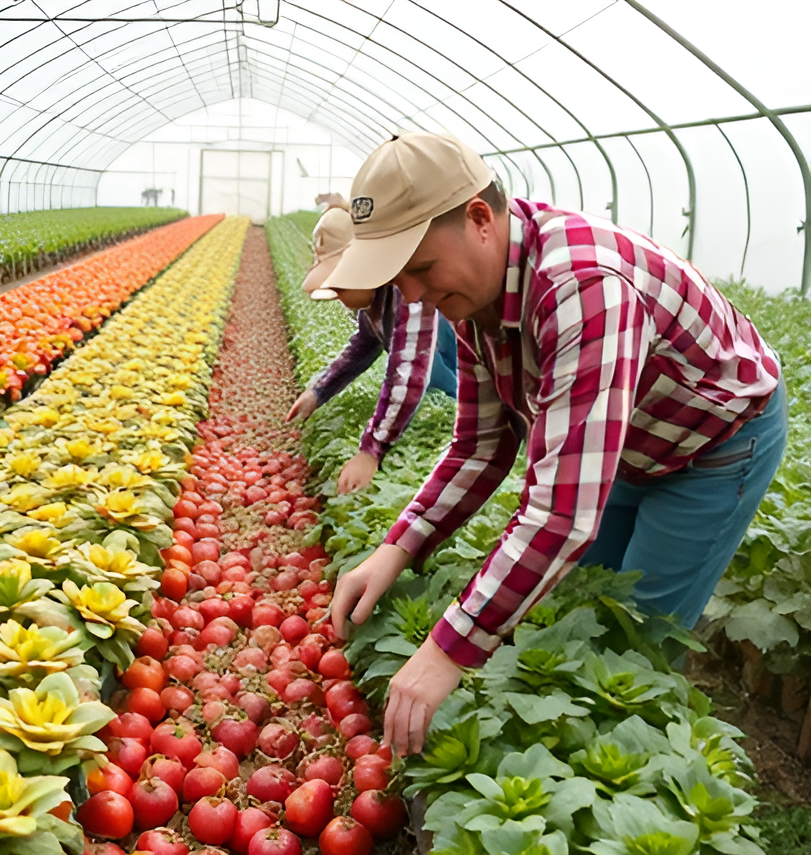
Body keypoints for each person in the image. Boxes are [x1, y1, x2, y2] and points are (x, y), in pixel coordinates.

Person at [322, 132, 786, 757]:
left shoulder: (583, 286)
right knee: (576, 613)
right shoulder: (472, 301)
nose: (411, 295)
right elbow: (480, 447)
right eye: (398, 278)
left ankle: (616, 791)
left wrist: (448, 649)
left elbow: (563, 514)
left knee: (635, 639)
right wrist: (395, 549)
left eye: (421, 269)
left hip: (713, 444)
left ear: (480, 220)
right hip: (622, 442)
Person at [287, 205, 459, 494]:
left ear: (362, 266)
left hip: (474, 384)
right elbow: (363, 347)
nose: (338, 297)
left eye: (338, 286)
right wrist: (318, 392)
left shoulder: (408, 290)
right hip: (439, 393)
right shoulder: (375, 300)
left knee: (460, 426)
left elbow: (408, 371)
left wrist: (370, 452)